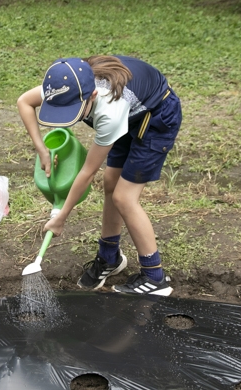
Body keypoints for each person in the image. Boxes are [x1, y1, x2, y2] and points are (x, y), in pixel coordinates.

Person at [17, 55, 182, 296]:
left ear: (91, 96)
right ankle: (109, 257)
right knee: (110, 183)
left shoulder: (109, 111)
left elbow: (87, 172)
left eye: (71, 109)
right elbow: (24, 102)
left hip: (156, 115)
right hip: (131, 109)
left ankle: (155, 277)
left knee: (124, 198)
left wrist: (61, 216)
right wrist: (41, 148)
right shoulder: (65, 85)